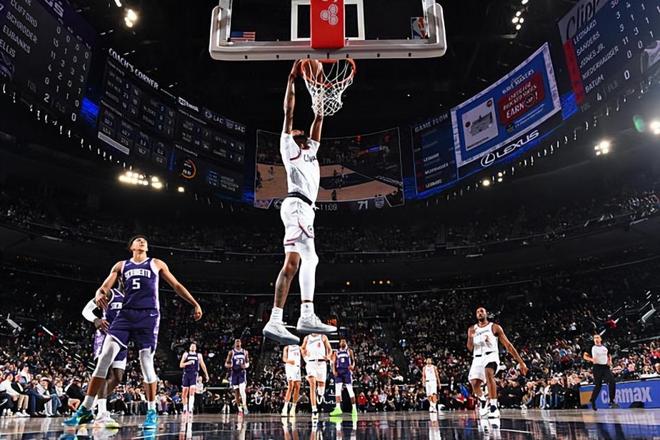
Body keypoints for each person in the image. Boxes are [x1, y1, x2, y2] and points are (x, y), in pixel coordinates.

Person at [65, 235, 203, 430]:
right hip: (125, 314)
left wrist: (195, 303)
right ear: (131, 247)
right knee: (104, 358)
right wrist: (98, 293)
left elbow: (176, 285)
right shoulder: (121, 265)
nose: (142, 241)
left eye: (144, 240)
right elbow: (104, 287)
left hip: (148, 315)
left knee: (146, 361)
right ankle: (86, 409)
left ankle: (151, 411)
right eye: (138, 240)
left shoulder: (156, 263)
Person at [262, 59, 336, 345]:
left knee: (298, 262)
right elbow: (289, 111)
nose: (296, 131)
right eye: (293, 131)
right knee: (303, 260)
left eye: (298, 132)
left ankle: (287, 318)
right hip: (296, 206)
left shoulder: (311, 150)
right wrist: (292, 80)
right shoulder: (288, 147)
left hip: (303, 210)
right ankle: (296, 315)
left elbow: (319, 117)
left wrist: (319, 90)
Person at [467, 306, 527, 418]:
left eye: (482, 311)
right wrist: (470, 337)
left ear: (486, 314)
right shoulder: (472, 329)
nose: (480, 313)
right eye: (477, 312)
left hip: (491, 355)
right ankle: (483, 400)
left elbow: (508, 345)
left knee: (488, 373)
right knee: (474, 383)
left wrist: (521, 362)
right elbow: (470, 348)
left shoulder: (494, 327)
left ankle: (494, 406)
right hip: (477, 358)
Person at [81, 287, 126, 428]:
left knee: (118, 377)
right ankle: (102, 414)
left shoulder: (133, 298)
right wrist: (96, 319)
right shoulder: (110, 294)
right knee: (105, 374)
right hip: (106, 335)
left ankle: (91, 405)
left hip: (122, 338)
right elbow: (86, 309)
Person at [583, 334, 619, 411]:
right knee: (598, 385)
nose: (596, 339)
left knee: (612, 381)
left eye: (597, 337)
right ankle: (593, 400)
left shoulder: (605, 347)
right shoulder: (591, 347)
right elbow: (585, 356)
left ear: (600, 339)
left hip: (605, 367)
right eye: (594, 338)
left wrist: (610, 360)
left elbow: (609, 354)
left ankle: (612, 400)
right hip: (597, 367)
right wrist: (591, 359)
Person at [301, 332, 332, 417]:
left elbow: (330, 349)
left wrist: (328, 356)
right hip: (311, 363)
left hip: (322, 364)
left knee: (321, 386)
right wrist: (305, 356)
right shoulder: (307, 337)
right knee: (312, 385)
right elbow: (302, 348)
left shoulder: (323, 336)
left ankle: (320, 394)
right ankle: (314, 409)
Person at [330, 338, 358, 417]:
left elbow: (353, 361)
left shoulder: (349, 351)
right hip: (339, 371)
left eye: (344, 341)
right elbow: (333, 363)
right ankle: (338, 408)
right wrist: (334, 371)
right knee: (337, 390)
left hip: (347, 371)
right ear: (339, 344)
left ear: (346, 343)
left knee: (350, 390)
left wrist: (353, 366)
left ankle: (354, 409)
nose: (343, 342)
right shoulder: (336, 352)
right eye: (341, 341)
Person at [179, 342, 209, 417]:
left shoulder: (198, 355)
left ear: (196, 348)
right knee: (184, 393)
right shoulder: (186, 354)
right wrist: (188, 363)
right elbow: (181, 365)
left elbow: (203, 365)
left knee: (192, 391)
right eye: (191, 346)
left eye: (194, 346)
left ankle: (190, 409)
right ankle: (185, 408)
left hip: (194, 374)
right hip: (186, 374)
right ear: (189, 347)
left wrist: (206, 374)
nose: (192, 347)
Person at [225, 339, 249, 415]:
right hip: (234, 373)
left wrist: (245, 366)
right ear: (234, 344)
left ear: (241, 343)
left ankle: (244, 405)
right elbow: (226, 364)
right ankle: (239, 409)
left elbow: (248, 363)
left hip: (242, 373)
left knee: (242, 390)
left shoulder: (245, 352)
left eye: (239, 342)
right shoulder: (231, 352)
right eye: (236, 342)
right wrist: (231, 365)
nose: (238, 343)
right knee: (237, 392)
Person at [281, 344, 301, 417]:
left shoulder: (299, 347)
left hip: (297, 367)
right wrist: (289, 361)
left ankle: (293, 408)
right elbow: (284, 359)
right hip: (289, 367)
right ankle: (285, 408)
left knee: (297, 387)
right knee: (290, 386)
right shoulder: (287, 347)